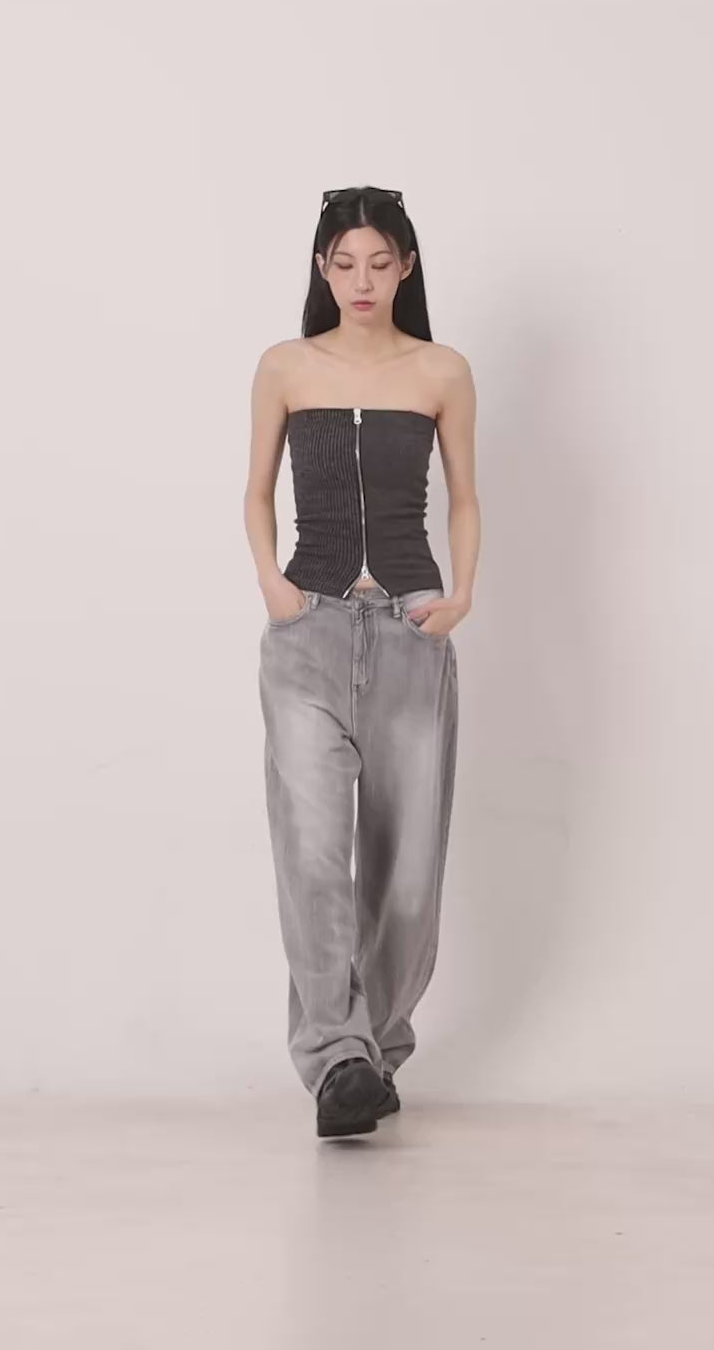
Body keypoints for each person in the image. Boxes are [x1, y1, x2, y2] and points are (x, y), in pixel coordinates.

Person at [243, 186, 480, 1138]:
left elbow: (465, 495)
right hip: (308, 631)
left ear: (407, 266)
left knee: (408, 873)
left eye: (380, 263)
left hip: (411, 633)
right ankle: (338, 1058)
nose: (362, 281)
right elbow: (255, 490)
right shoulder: (286, 365)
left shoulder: (441, 370)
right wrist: (273, 585)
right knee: (311, 854)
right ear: (322, 268)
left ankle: (371, 1055)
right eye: (344, 264)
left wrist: (460, 595)